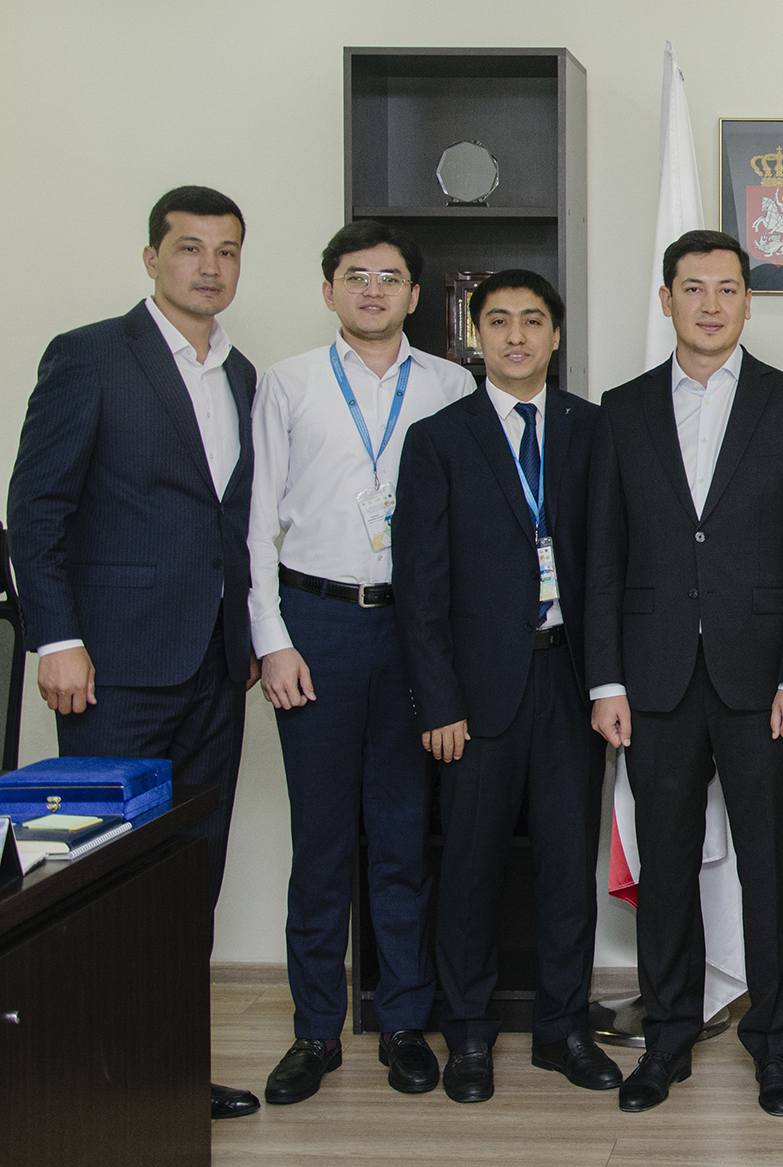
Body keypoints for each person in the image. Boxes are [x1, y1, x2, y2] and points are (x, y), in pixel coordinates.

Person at [7, 185, 263, 1121]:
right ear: (151, 258)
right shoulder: (89, 356)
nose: (209, 266)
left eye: (226, 251)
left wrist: (246, 634)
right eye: (190, 248)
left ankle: (167, 1076)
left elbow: (229, 522)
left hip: (214, 666)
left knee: (189, 879)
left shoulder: (240, 374)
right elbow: (36, 508)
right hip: (110, 668)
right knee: (88, 877)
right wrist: (57, 637)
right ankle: (76, 1085)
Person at [586, 229, 783, 1118]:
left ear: (748, 301)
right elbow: (603, 556)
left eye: (728, 288)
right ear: (667, 300)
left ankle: (773, 1042)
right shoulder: (622, 409)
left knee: (769, 867)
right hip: (653, 680)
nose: (711, 304)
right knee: (665, 867)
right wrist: (605, 681)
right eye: (693, 288)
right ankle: (667, 1035)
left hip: (765, 682)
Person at [248, 221, 476, 1105]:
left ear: (416, 295)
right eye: (356, 276)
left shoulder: (451, 384)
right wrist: (272, 639)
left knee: (402, 837)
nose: (373, 290)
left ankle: (404, 1022)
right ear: (329, 290)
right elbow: (256, 524)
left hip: (414, 630)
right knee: (320, 842)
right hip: (316, 624)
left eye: (389, 277)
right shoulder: (289, 382)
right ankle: (315, 1030)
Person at [392, 269, 619, 1103]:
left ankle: (562, 1029)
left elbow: (615, 564)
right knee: (472, 867)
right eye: (498, 321)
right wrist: (438, 699)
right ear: (474, 335)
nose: (516, 336)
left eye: (531, 321)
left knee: (567, 865)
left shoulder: (595, 429)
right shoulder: (438, 439)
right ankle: (469, 1034)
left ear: (556, 335)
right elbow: (419, 583)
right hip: (476, 690)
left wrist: (611, 681)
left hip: (570, 678)